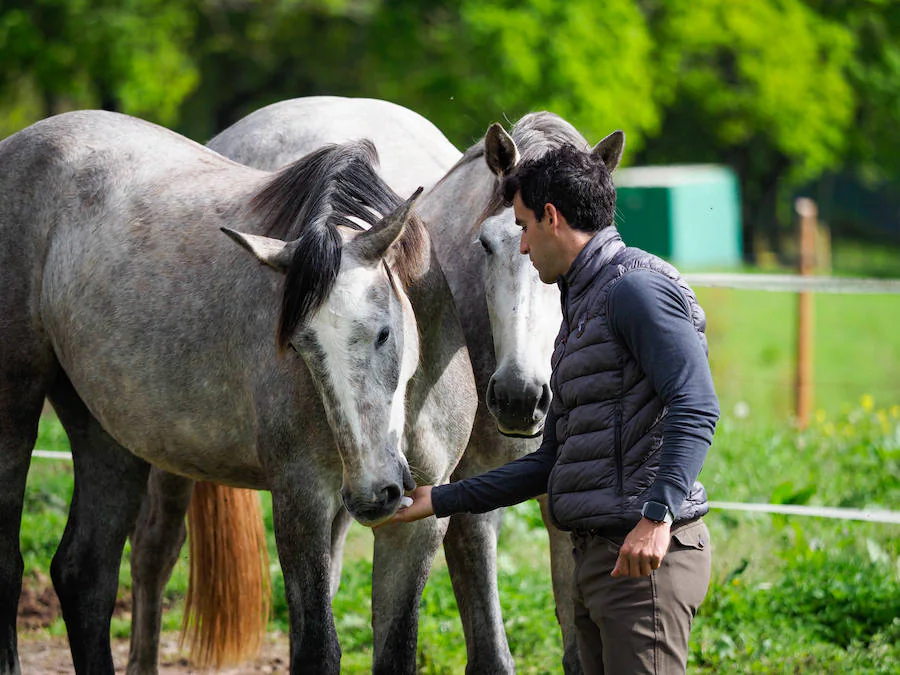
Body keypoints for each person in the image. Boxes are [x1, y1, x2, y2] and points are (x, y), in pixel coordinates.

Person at [388, 135, 720, 674]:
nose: (520, 246)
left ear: (551, 217)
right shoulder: (581, 306)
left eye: (521, 228)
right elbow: (552, 461)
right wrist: (441, 498)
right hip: (597, 559)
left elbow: (696, 403)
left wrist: (658, 515)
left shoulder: (635, 288)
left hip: (643, 560)